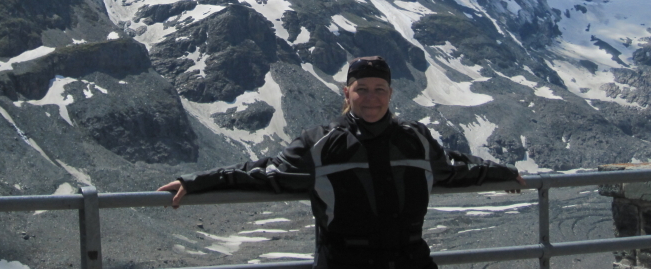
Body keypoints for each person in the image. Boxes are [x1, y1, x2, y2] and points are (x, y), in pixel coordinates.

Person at [158, 56, 526, 269]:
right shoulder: (320, 142)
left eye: (379, 89)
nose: (371, 97)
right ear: (346, 93)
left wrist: (503, 174)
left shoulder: (415, 138)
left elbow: (451, 168)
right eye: (361, 89)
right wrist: (196, 182)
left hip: (412, 261)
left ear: (391, 94)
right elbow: (266, 172)